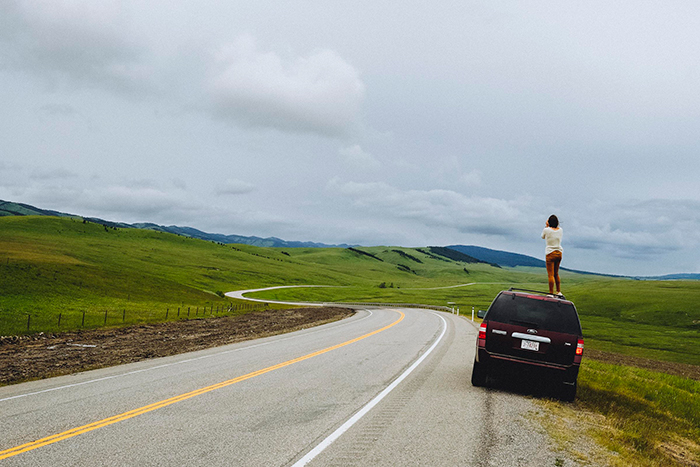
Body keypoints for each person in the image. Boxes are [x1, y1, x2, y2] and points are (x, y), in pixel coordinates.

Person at [541, 215, 563, 296]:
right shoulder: (560, 230)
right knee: (556, 273)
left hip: (550, 253)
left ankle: (551, 293)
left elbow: (542, 237)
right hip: (559, 252)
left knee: (550, 274)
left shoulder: (546, 230)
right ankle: (558, 291)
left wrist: (546, 226)